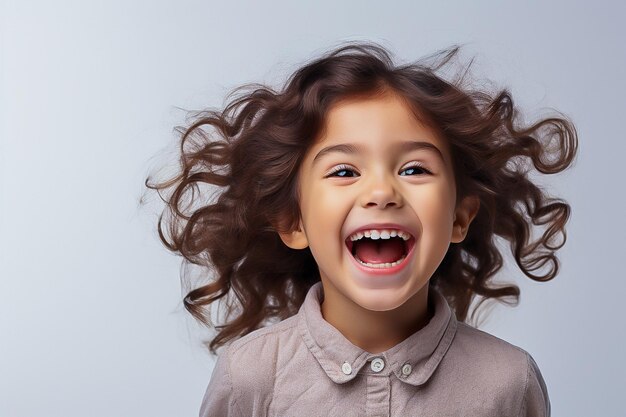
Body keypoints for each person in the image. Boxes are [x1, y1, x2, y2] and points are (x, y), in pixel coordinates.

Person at [146, 41, 577, 416]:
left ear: (459, 218)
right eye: (345, 171)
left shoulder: (508, 382)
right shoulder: (251, 376)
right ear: (293, 221)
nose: (381, 191)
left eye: (413, 168)